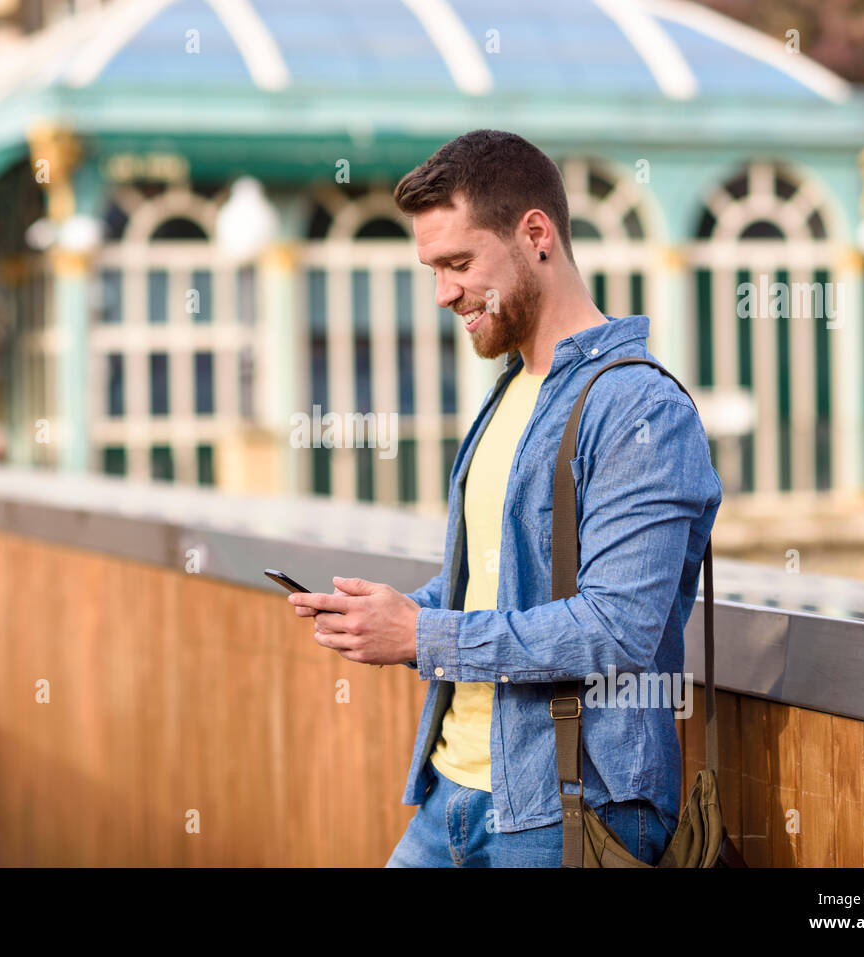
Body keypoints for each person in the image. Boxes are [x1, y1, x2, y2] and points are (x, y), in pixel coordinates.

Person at [286, 130, 722, 867]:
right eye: (433, 269)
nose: (444, 293)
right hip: (448, 793)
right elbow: (503, 581)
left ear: (536, 234)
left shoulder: (639, 408)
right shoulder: (509, 393)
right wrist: (400, 612)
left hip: (570, 812)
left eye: (459, 263)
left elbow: (618, 627)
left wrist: (423, 637)